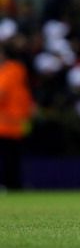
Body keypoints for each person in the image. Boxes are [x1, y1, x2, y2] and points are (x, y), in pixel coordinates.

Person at [0, 42, 34, 189]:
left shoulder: (10, 70)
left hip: (7, 123)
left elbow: (2, 93)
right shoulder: (17, 70)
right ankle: (14, 184)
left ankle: (10, 184)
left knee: (9, 156)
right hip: (17, 122)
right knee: (13, 156)